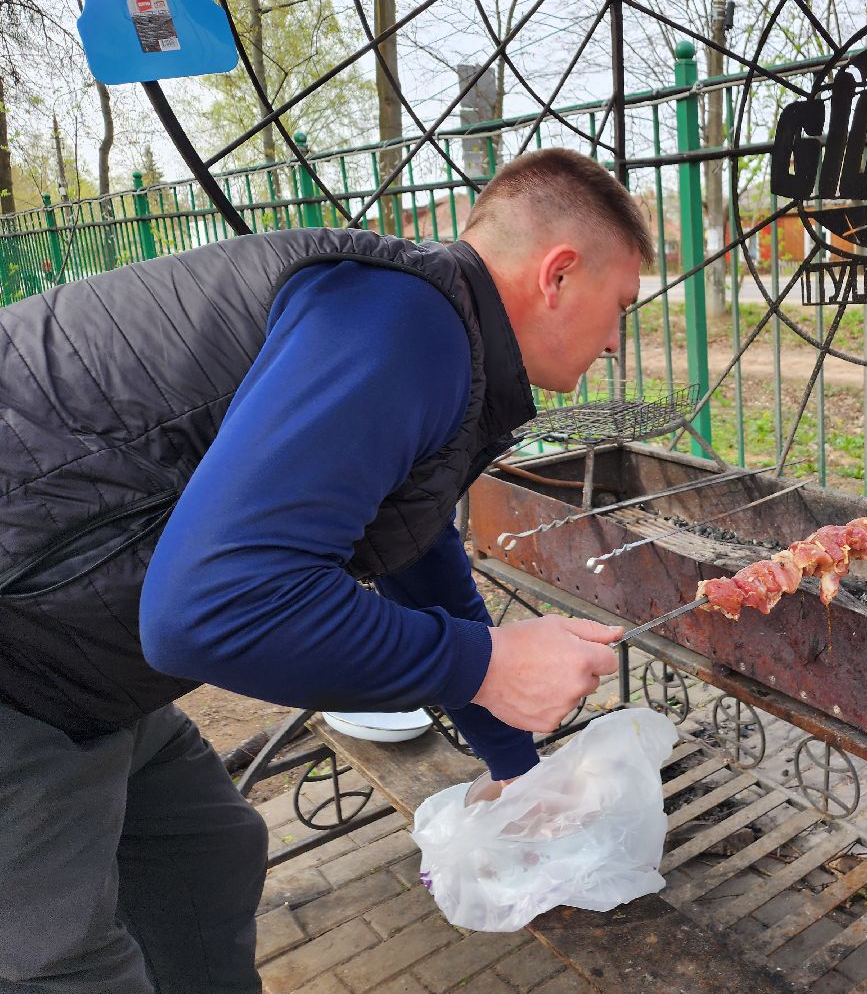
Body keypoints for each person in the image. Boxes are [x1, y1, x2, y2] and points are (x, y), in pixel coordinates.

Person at [0, 148, 650, 992]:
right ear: (559, 274)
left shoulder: (431, 331)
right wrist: (484, 664)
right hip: (21, 658)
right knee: (61, 963)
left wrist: (515, 766)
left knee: (207, 848)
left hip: (80, 648)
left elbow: (415, 552)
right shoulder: (401, 323)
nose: (615, 342)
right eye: (620, 308)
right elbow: (208, 607)